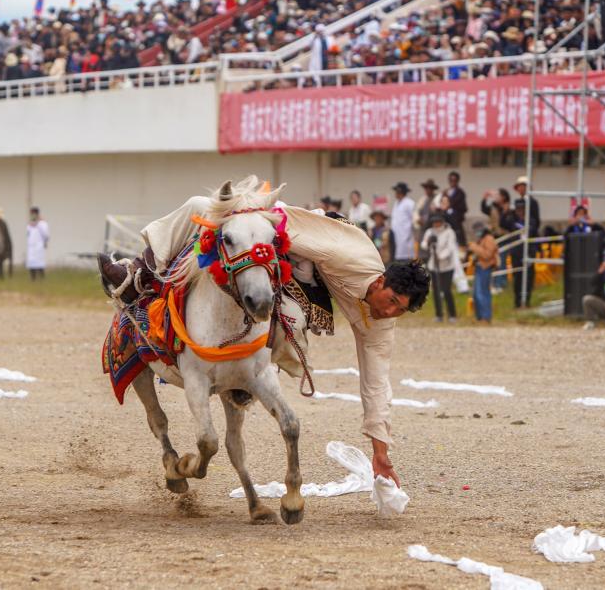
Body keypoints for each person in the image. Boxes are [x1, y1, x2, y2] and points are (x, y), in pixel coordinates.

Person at [97, 182, 431, 486]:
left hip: (306, 280)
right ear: (380, 282)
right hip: (290, 240)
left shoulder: (381, 321)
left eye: (399, 310)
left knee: (293, 319)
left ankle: (248, 379)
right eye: (390, 303)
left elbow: (376, 383)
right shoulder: (346, 252)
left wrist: (381, 453)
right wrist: (238, 212)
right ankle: (139, 272)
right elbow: (279, 219)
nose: (390, 312)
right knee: (201, 203)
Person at [421, 212, 458, 323]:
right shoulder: (429, 232)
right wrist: (428, 243)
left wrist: (440, 256)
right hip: (434, 265)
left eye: (438, 222)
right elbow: (423, 243)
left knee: (446, 290)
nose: (436, 224)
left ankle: (452, 315)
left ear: (442, 222)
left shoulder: (449, 232)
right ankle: (439, 315)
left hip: (447, 265)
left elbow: (450, 248)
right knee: (436, 290)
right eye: (434, 222)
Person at [468, 221, 499, 323]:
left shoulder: (489, 239)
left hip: (486, 268)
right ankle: (480, 317)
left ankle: (486, 317)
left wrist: (475, 248)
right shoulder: (481, 239)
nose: (476, 232)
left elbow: (487, 255)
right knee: (476, 294)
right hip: (479, 267)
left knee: (483, 293)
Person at [390, 182, 415, 262]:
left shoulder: (410, 203)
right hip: (396, 235)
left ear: (400, 192)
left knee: (406, 260)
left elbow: (414, 219)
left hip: (405, 236)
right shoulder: (396, 203)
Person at [443, 171, 468, 245]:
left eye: (454, 180)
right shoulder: (445, 192)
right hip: (446, 220)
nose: (452, 182)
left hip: (456, 220)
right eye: (450, 180)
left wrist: (450, 205)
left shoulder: (460, 192)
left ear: (457, 181)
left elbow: (463, 207)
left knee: (457, 240)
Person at [26, 206, 50, 281]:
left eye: (33, 214)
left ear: (37, 214)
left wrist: (38, 224)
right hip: (31, 247)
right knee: (31, 264)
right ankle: (33, 279)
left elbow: (46, 235)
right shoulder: (29, 224)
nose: (32, 215)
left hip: (39, 247)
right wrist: (32, 224)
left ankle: (42, 279)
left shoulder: (43, 223)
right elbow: (28, 233)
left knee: (39, 264)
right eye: (31, 214)